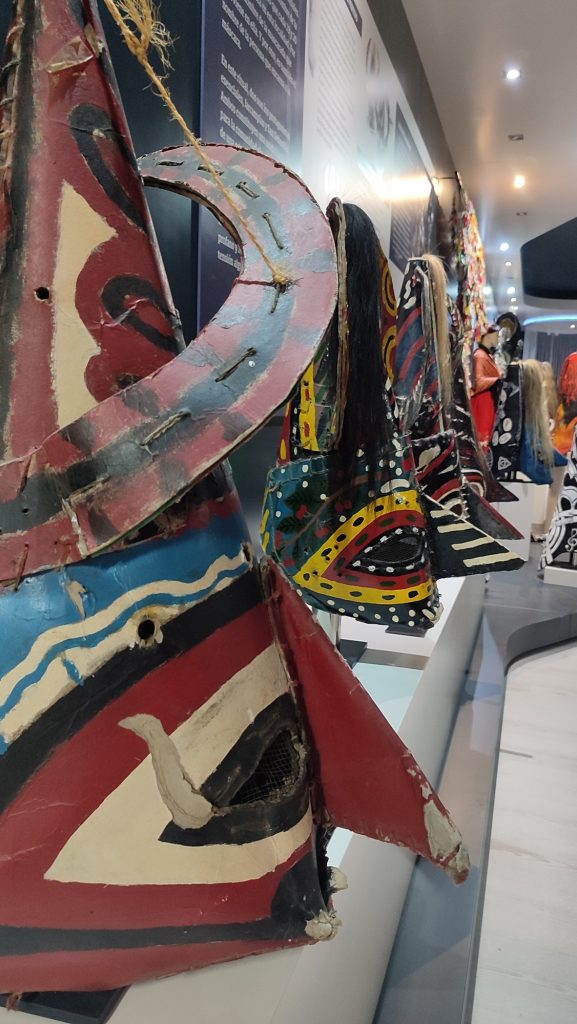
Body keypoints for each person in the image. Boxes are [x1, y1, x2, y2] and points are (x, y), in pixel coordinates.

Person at [470, 325, 502, 449]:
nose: (498, 339)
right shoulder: (480, 356)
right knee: (481, 435)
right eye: (496, 335)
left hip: (487, 401)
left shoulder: (485, 355)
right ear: (488, 335)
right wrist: (497, 380)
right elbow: (478, 381)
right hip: (482, 401)